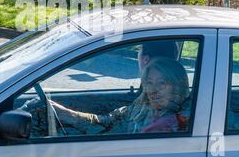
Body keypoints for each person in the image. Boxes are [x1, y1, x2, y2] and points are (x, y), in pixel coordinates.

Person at [51, 57, 191, 134]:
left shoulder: (183, 121)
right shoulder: (141, 106)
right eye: (149, 83)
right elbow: (108, 122)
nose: (153, 90)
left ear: (177, 85)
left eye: (162, 83)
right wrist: (65, 114)